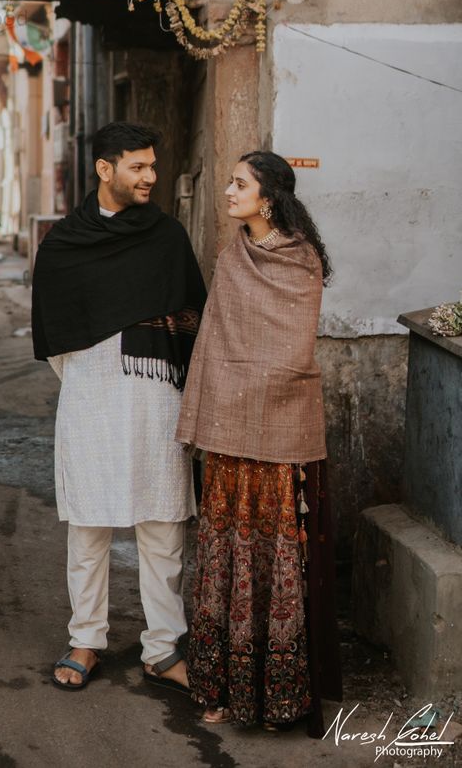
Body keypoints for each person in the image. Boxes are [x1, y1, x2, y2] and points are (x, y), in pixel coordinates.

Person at [31, 122, 207, 694]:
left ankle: (162, 647)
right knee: (89, 525)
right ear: (105, 170)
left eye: (153, 166)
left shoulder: (167, 239)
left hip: (158, 403)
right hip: (90, 399)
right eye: (138, 167)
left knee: (163, 528)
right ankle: (86, 638)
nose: (150, 176)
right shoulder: (62, 246)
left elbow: (191, 321)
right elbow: (57, 340)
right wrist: (93, 375)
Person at [175, 151, 343, 736]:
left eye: (239, 184)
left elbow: (292, 352)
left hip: (278, 437)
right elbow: (219, 340)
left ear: (267, 198)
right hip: (228, 434)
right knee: (226, 556)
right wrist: (230, 390)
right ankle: (223, 688)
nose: (227, 190)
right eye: (229, 181)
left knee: (273, 560)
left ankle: (278, 697)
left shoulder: (301, 264)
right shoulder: (231, 257)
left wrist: (251, 389)